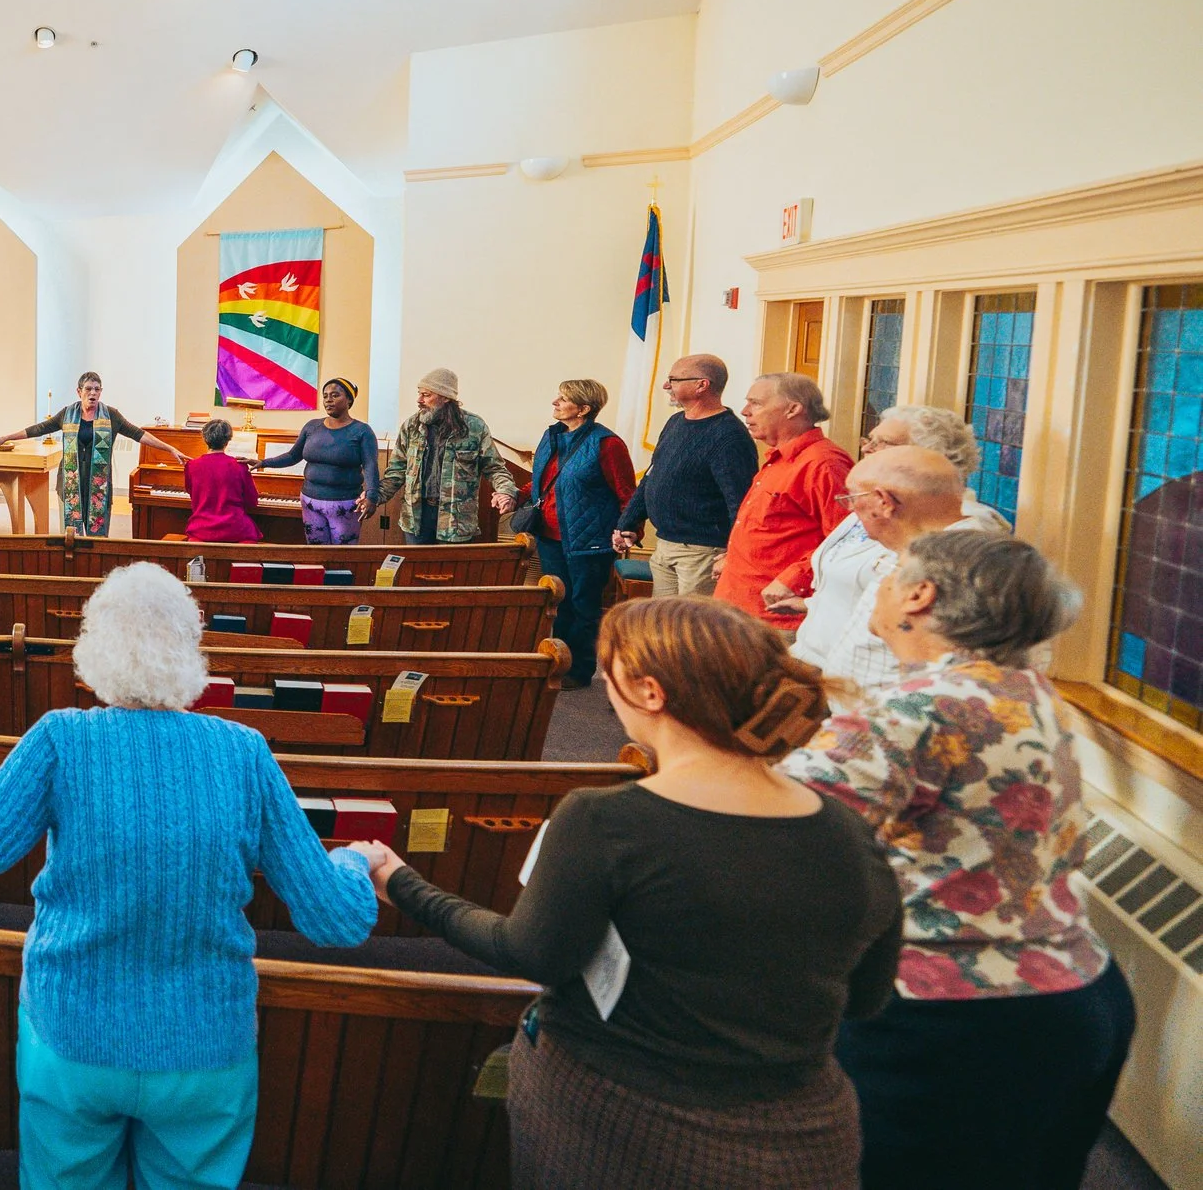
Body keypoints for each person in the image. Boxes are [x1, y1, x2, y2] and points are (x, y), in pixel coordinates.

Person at [0, 563, 381, 1188]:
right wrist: (354, 859)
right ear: (190, 650)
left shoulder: (61, 740)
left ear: (92, 651)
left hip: (73, 1037)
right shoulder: (244, 752)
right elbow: (338, 918)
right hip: (204, 1049)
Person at [359, 596, 902, 1188]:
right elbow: (867, 997)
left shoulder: (605, 822)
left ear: (650, 692)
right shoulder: (853, 833)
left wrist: (399, 883)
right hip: (803, 1133)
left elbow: (532, 954)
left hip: (624, 1123)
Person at [785, 531, 1135, 1190]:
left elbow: (774, 836)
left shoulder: (910, 708)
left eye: (888, 579)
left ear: (920, 594)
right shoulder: (1026, 687)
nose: (879, 594)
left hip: (951, 1014)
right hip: (1078, 992)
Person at [774, 406, 1007, 635]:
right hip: (817, 651)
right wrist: (814, 605)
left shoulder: (960, 526)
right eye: (869, 439)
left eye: (883, 443)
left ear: (928, 455)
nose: (867, 448)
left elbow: (934, 612)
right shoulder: (875, 502)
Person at [786, 445, 988, 689]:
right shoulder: (915, 550)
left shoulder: (959, 566)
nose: (849, 509)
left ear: (884, 502)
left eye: (852, 498)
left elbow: (954, 673)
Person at [610, 353, 760, 596]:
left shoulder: (729, 436)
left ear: (702, 385)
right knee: (663, 627)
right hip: (666, 545)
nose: (666, 385)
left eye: (674, 379)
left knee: (692, 630)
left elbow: (741, 501)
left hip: (703, 552)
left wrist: (734, 552)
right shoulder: (675, 422)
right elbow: (651, 476)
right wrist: (627, 522)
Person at [715, 373, 854, 629]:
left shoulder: (825, 464)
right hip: (738, 607)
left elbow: (848, 540)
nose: (745, 411)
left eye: (756, 403)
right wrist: (733, 557)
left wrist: (795, 579)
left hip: (775, 619)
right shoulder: (778, 458)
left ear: (793, 409)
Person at [525, 378, 637, 687]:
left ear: (584, 409)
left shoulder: (607, 444)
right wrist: (514, 494)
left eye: (563, 399)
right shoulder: (552, 436)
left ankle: (580, 670)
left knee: (583, 606)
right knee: (558, 604)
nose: (555, 402)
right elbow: (542, 481)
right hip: (550, 537)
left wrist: (629, 530)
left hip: (589, 541)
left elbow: (627, 492)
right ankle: (559, 661)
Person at [0, 372, 184, 539]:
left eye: (97, 389)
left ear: (101, 392)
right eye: (88, 389)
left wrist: (170, 448)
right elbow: (38, 429)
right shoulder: (67, 414)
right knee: (71, 535)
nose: (93, 393)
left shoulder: (111, 415)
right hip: (70, 483)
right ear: (79, 392)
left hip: (99, 484)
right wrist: (6, 437)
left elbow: (138, 434)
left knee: (97, 534)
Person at [367, 368, 516, 544]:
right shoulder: (411, 426)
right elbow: (397, 471)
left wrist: (505, 491)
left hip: (456, 520)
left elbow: (495, 467)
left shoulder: (474, 427)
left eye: (426, 395)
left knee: (452, 571)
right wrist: (374, 496)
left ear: (445, 398)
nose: (419, 400)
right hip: (417, 518)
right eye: (419, 394)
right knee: (417, 569)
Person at [256, 378, 378, 544]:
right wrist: (263, 463)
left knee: (341, 557)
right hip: (310, 502)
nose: (328, 399)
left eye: (335, 395)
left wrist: (371, 496)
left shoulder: (362, 431)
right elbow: (293, 456)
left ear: (349, 399)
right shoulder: (312, 426)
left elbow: (370, 465)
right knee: (315, 553)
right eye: (325, 395)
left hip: (344, 504)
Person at [182, 418, 263, 543]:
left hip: (201, 529)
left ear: (205, 438)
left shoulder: (192, 465)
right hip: (235, 529)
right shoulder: (240, 465)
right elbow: (252, 501)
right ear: (228, 440)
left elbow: (192, 493)